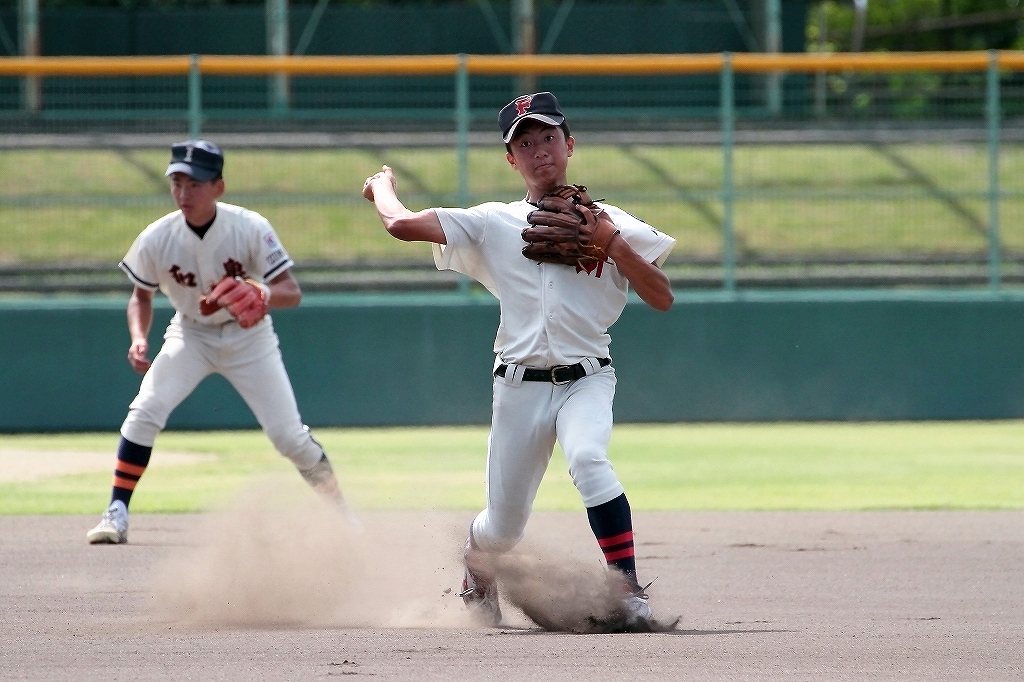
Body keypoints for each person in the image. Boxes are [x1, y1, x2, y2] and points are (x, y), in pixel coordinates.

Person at [362, 92, 676, 629]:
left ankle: (627, 589)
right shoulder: (493, 223)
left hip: (587, 379)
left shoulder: (616, 224)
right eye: (523, 143)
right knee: (502, 529)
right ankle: (476, 561)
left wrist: (614, 245)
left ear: (570, 144)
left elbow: (662, 296)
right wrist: (382, 188)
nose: (538, 151)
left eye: (548, 137)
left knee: (589, 459)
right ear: (511, 159)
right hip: (518, 387)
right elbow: (402, 226)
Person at [86, 139, 348, 545]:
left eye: (195, 184)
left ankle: (341, 515)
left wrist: (261, 294)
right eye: (177, 182)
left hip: (250, 340)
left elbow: (290, 291)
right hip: (190, 333)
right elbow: (140, 296)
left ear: (218, 187)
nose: (183, 193)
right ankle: (116, 511)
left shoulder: (250, 227)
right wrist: (139, 337)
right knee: (144, 411)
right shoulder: (157, 237)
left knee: (288, 437)